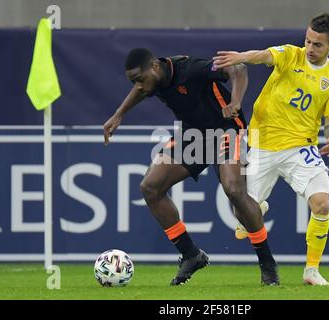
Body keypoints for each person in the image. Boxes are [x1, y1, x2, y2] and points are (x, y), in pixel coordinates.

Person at [103, 48, 279, 285]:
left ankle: (267, 263)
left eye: (141, 80)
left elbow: (237, 69)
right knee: (150, 187)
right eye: (135, 82)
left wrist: (235, 102)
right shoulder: (153, 80)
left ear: (155, 66)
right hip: (193, 135)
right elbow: (141, 90)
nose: (140, 86)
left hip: (225, 128)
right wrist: (118, 114)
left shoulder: (191, 69)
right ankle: (191, 254)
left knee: (234, 191)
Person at [212, 13, 329, 286]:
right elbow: (263, 56)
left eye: (318, 44)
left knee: (321, 204)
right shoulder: (291, 54)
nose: (309, 48)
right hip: (262, 144)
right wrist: (240, 57)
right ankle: (256, 207)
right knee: (242, 215)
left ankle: (311, 270)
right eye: (308, 41)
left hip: (301, 147)